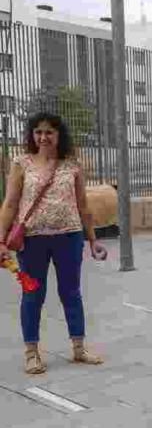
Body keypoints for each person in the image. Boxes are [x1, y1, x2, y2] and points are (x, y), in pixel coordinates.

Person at [0, 113, 107, 374]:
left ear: (59, 135)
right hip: (32, 241)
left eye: (49, 132)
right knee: (32, 294)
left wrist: (92, 240)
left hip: (69, 238)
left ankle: (79, 348)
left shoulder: (72, 165)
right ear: (32, 135)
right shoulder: (21, 163)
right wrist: (1, 240)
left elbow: (83, 205)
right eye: (38, 132)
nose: (43, 137)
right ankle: (32, 353)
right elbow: (11, 203)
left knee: (71, 292)